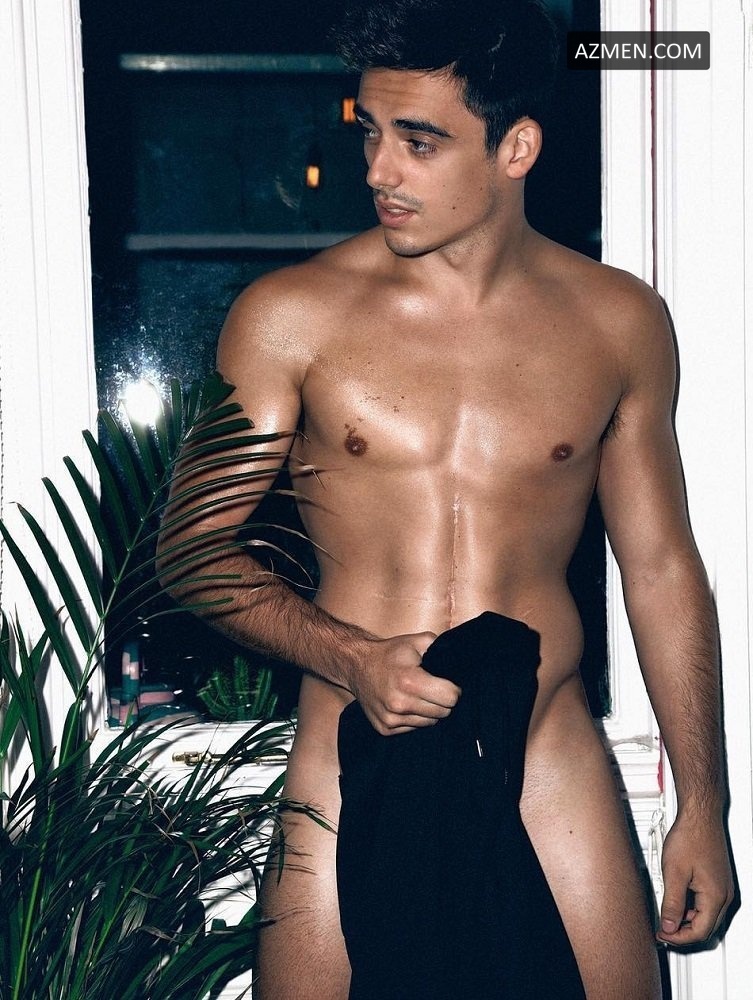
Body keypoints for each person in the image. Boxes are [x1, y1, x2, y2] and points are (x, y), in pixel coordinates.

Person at [158, 1, 734, 996]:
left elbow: (658, 567)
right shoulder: (291, 316)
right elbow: (190, 549)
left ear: (516, 148)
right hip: (352, 745)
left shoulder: (618, 321)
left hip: (545, 750)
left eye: (418, 142)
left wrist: (703, 806)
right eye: (370, 133)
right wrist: (354, 657)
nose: (378, 170)